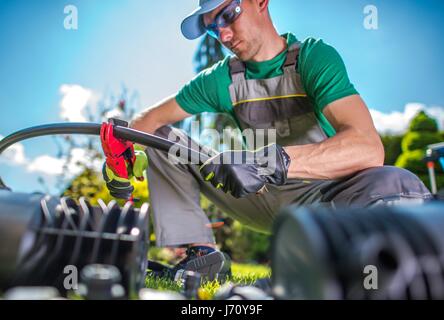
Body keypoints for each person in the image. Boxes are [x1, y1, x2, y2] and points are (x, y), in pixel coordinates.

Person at [102, 0, 432, 280]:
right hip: (257, 195)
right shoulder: (221, 78)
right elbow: (145, 122)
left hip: (323, 198)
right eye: (213, 28)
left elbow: (367, 146)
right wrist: (123, 156)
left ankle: (365, 254)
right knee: (162, 139)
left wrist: (265, 162)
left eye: (228, 15)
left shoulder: (314, 58)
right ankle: (201, 256)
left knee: (395, 179)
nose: (224, 35)